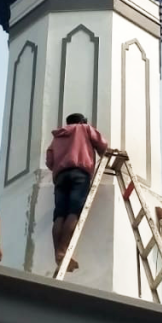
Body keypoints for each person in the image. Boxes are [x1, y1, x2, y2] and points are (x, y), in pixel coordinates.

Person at [46, 113, 108, 270]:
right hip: (79, 174)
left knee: (60, 215)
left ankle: (57, 253)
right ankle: (63, 249)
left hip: (60, 177)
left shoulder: (57, 137)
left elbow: (49, 162)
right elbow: (103, 145)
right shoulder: (84, 129)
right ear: (82, 121)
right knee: (74, 212)